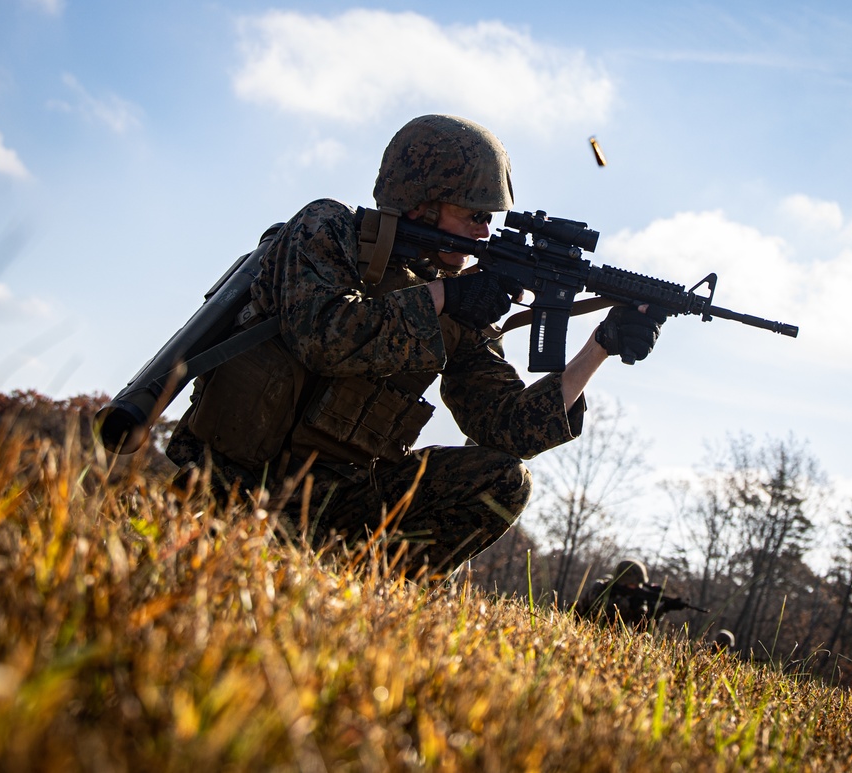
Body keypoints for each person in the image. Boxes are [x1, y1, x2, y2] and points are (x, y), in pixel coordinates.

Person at [165, 114, 666, 576]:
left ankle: (369, 587)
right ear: (423, 203)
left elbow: (509, 427)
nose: (484, 231)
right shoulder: (329, 229)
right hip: (228, 489)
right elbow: (323, 336)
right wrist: (447, 296)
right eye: (473, 215)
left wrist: (599, 345)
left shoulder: (460, 307)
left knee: (505, 480)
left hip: (337, 508)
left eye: (488, 219)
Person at [578, 558, 697, 628]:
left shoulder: (636, 598)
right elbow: (599, 609)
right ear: (622, 580)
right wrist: (627, 604)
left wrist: (663, 609)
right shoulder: (600, 587)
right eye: (633, 584)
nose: (636, 587)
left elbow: (643, 629)